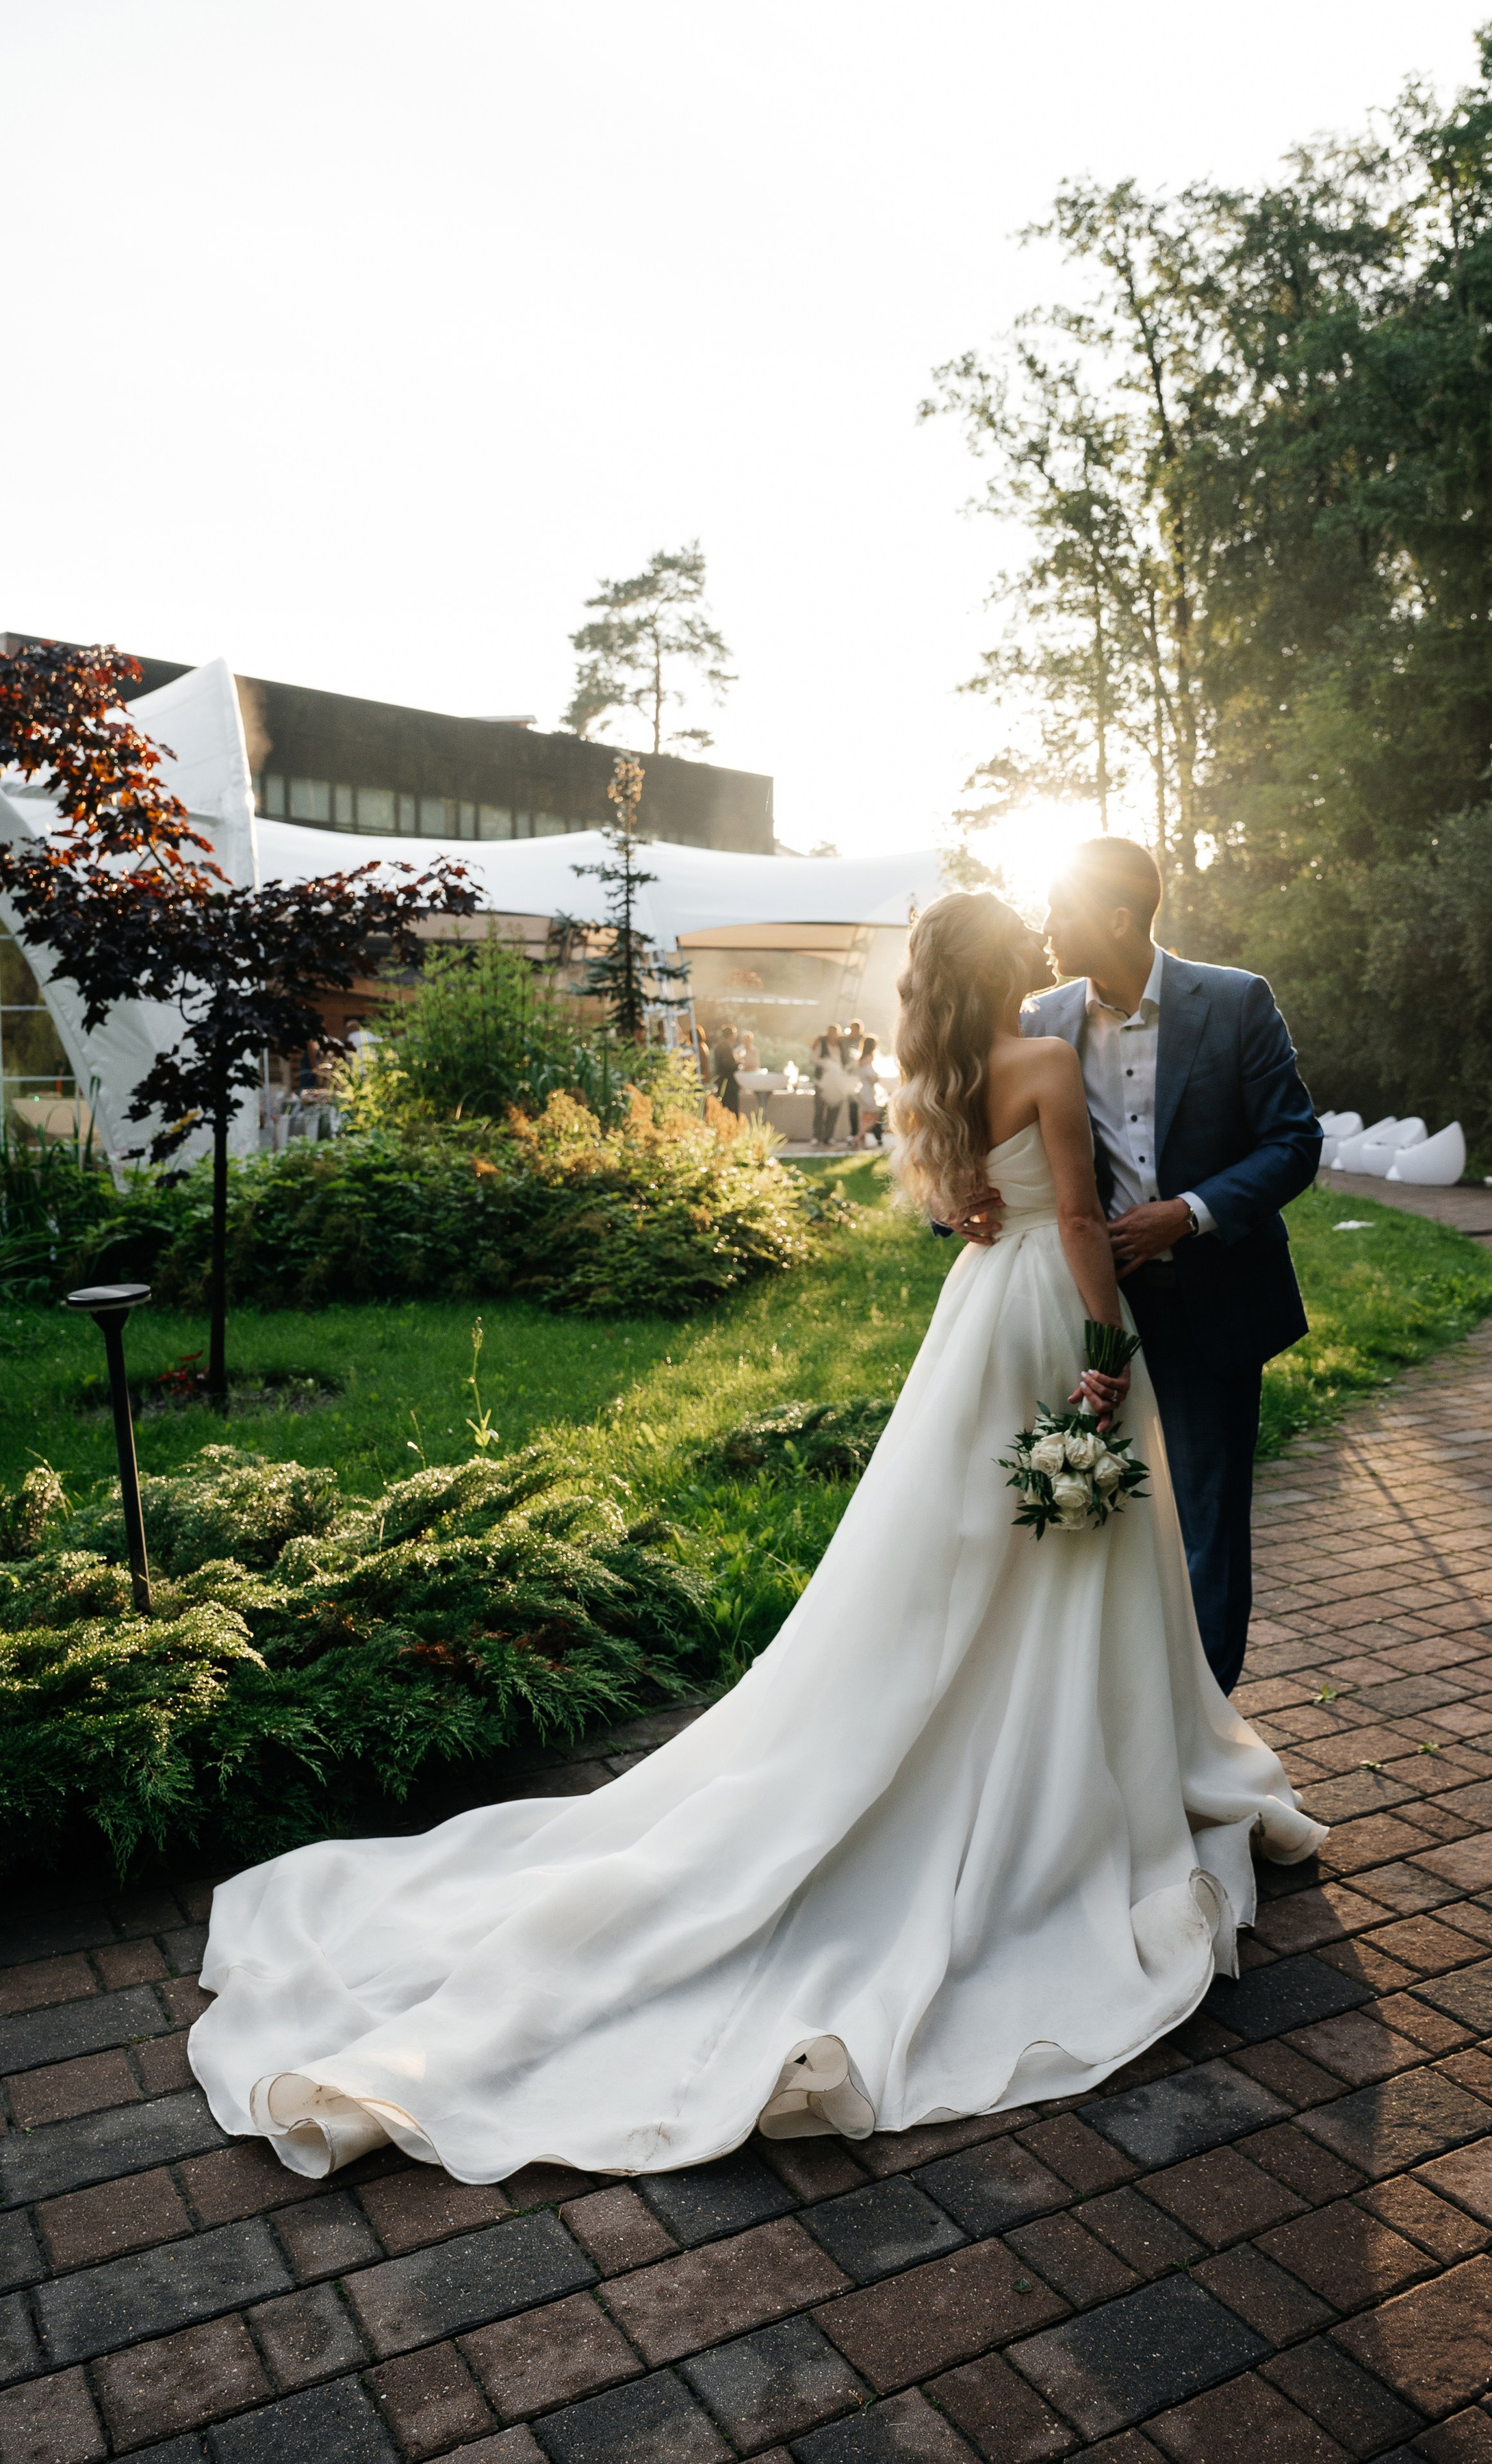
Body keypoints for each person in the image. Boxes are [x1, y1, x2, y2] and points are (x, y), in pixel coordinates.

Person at [187, 888, 1320, 2187]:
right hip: (1053, 1319)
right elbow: (1071, 1218)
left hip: (973, 1330)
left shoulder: (947, 1065)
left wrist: (986, 1214)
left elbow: (963, 1202)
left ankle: (1021, 1746)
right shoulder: (1048, 1047)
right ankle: (1078, 1781)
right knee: (1067, 1543)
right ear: (1014, 962)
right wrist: (1108, 1349)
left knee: (973, 1551)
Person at [953, 838, 1320, 1695]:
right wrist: (954, 1202)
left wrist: (1185, 1215)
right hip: (1076, 1305)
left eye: (1064, 910)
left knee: (1204, 1520)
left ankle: (1208, 1729)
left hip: (1208, 1302)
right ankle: (1105, 1716)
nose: (1047, 927)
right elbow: (975, 1127)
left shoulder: (1234, 1003)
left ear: (1117, 918)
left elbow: (1294, 1144)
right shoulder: (1039, 1020)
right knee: (1084, 1517)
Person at [810, 1023, 845, 1143]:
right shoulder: (821, 1044)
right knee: (819, 1110)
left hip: (836, 1082)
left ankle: (828, 1137)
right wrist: (827, 1063)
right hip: (822, 1081)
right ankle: (817, 1137)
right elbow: (813, 1059)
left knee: (834, 1109)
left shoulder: (840, 1045)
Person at [854, 1031, 882, 1143]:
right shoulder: (869, 1058)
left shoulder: (861, 1059)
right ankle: (857, 1138)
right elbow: (870, 1075)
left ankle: (862, 1142)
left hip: (862, 1090)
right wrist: (877, 1078)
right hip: (868, 1091)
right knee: (875, 1116)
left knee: (863, 1117)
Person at [710, 1023, 741, 1116]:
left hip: (723, 1082)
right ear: (732, 1035)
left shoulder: (720, 1046)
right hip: (728, 1084)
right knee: (730, 1109)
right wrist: (738, 1063)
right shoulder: (725, 1047)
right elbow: (729, 1065)